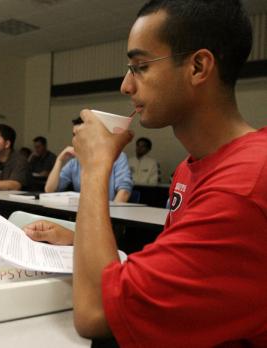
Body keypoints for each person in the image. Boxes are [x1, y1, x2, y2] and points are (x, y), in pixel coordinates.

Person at [23, 0, 267, 346]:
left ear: (198, 67)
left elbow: (95, 315)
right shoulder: (191, 167)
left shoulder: (242, 187)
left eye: (139, 66)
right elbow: (173, 270)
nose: (126, 85)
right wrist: (82, 241)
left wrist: (95, 167)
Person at [44, 119, 133, 203]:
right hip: (83, 212)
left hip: (108, 211)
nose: (75, 139)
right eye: (74, 135)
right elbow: (50, 190)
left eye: (80, 134)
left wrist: (112, 216)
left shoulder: (118, 156)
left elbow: (124, 191)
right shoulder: (75, 162)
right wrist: (59, 159)